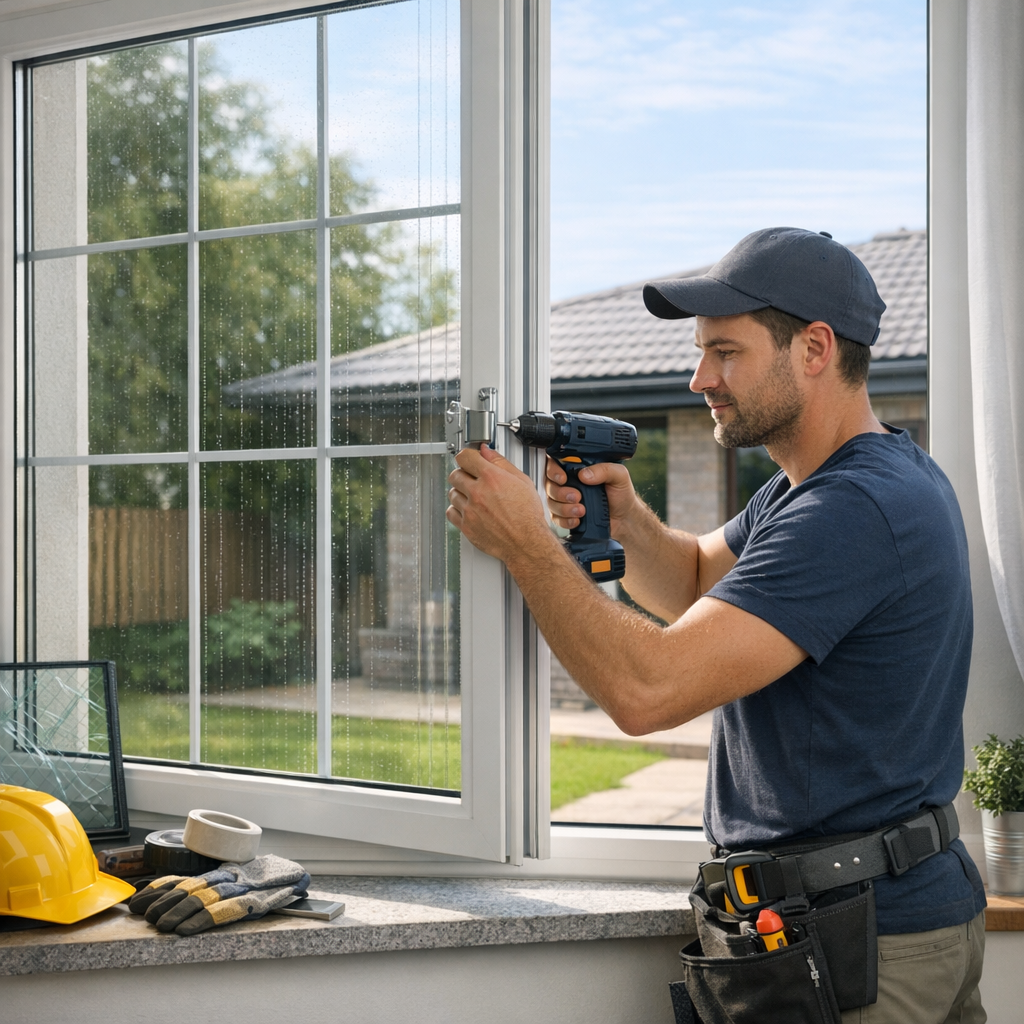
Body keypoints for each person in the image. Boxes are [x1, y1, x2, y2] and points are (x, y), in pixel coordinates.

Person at [445, 227, 987, 1024]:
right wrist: (625, 519)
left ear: (814, 347)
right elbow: (700, 577)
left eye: (725, 352)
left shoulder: (851, 510)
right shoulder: (824, 482)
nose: (700, 377)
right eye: (703, 352)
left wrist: (527, 544)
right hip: (871, 919)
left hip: (861, 950)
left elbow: (648, 688)